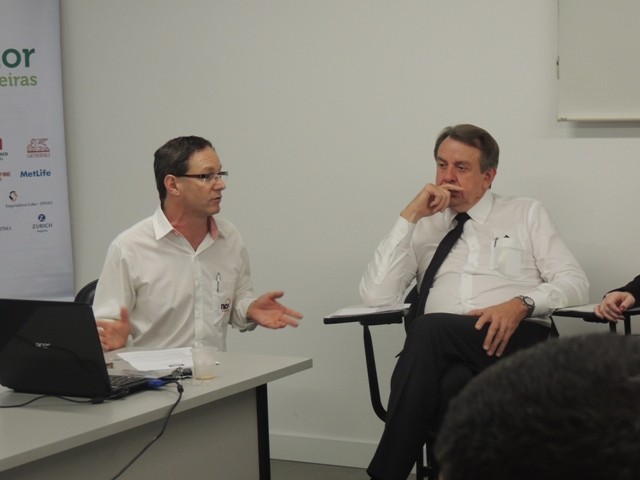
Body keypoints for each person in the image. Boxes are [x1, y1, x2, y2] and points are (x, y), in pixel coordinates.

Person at [359, 124, 589, 480]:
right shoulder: (426, 224)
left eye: (461, 167)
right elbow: (376, 296)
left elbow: (575, 283)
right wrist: (409, 218)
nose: (447, 176)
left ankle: (386, 475)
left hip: (515, 342)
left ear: (488, 176)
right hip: (444, 354)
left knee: (428, 329)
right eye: (441, 165)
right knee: (452, 385)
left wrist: (521, 304)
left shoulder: (525, 212)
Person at [92, 135, 303, 352]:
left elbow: (234, 302)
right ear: (173, 185)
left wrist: (249, 308)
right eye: (207, 176)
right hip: (152, 373)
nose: (220, 185)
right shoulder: (129, 248)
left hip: (215, 371)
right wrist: (114, 343)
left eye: (220, 174)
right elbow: (104, 330)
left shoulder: (229, 238)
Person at [435, 333, 640, 480]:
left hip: (511, 333)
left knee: (430, 330)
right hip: (454, 352)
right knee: (453, 379)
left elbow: (571, 287)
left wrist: (524, 303)